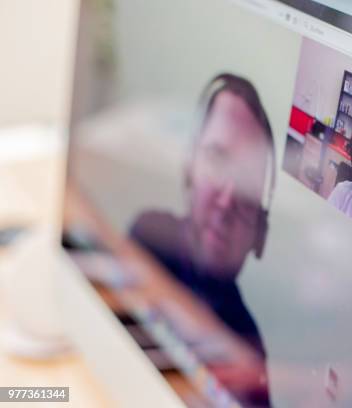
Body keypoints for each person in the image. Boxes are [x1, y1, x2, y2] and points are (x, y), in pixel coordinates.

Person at [129, 73, 274, 405]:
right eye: (218, 161)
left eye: (247, 184)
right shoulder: (146, 238)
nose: (226, 201)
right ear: (189, 166)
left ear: (259, 234)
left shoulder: (249, 349)